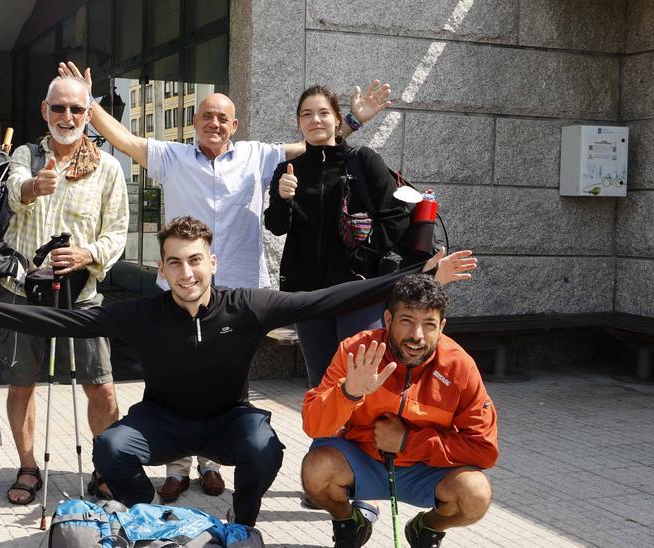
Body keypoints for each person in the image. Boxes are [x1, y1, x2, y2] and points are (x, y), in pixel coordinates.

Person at [0, 216, 477, 528]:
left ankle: (244, 522)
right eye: (175, 262)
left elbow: (327, 298)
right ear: (162, 269)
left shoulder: (247, 306)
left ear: (212, 262)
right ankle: (149, 518)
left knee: (265, 446)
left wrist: (421, 271)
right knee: (113, 446)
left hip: (228, 420)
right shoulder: (140, 313)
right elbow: (56, 320)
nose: (187, 271)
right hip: (162, 419)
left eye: (196, 259)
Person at [59, 61, 394, 501]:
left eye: (222, 118)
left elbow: (315, 144)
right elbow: (125, 139)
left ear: (234, 125)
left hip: (237, 294)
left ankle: (212, 463)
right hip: (181, 289)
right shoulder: (172, 157)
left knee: (232, 378)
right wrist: (90, 104)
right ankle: (176, 467)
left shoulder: (258, 155)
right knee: (170, 376)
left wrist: (351, 120)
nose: (214, 123)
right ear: (195, 124)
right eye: (206, 117)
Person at [0, 75, 128, 505]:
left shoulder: (107, 167)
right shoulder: (26, 154)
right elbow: (14, 191)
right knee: (22, 384)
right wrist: (35, 185)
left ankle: (106, 468)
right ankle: (28, 465)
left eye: (76, 109)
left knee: (103, 386)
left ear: (88, 114)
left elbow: (118, 233)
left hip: (81, 295)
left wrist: (86, 254)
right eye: (59, 108)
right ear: (44, 110)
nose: (67, 117)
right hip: (22, 290)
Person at [301, 274, 497, 547]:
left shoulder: (460, 367)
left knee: (476, 493)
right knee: (315, 469)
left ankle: (426, 529)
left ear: (441, 327)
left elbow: (484, 449)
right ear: (388, 320)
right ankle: (349, 523)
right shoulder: (356, 349)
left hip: (426, 471)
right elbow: (314, 425)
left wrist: (408, 442)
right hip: (362, 461)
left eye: (429, 324)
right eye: (406, 321)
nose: (417, 336)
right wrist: (349, 393)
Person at [265, 84, 412, 389]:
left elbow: (397, 215)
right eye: (307, 114)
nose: (315, 120)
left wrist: (361, 259)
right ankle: (328, 438)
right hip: (310, 295)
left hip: (357, 292)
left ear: (336, 119)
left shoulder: (362, 161)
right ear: (298, 122)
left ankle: (364, 438)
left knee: (363, 380)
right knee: (321, 383)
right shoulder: (288, 170)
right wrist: (282, 198)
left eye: (323, 113)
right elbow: (277, 226)